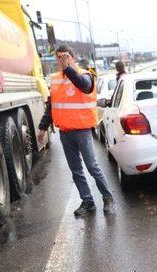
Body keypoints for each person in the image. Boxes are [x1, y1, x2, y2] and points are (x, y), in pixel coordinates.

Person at [37, 45, 114, 216]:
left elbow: (84, 86)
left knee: (92, 166)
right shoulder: (55, 79)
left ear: (73, 57)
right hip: (65, 132)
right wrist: (43, 128)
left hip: (82, 130)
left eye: (64, 56)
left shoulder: (86, 74)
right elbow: (51, 106)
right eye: (58, 57)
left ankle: (108, 198)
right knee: (76, 170)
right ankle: (87, 201)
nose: (61, 60)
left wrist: (68, 69)